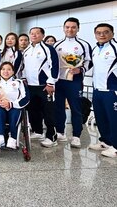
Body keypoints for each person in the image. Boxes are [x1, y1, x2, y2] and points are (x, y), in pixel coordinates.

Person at [53, 18, 92, 148]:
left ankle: (76, 136)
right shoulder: (57, 44)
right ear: (63, 28)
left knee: (76, 108)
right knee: (59, 107)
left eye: (73, 27)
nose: (70, 29)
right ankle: (60, 132)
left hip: (75, 81)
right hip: (59, 81)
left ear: (78, 28)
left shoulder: (84, 44)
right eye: (67, 27)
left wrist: (80, 69)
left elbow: (88, 61)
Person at [22, 27, 59, 147]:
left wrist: (51, 83)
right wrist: (23, 79)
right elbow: (24, 67)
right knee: (33, 110)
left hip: (45, 86)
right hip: (31, 86)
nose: (34, 35)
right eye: (32, 33)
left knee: (49, 112)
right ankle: (37, 131)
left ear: (43, 35)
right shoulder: (26, 50)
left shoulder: (48, 49)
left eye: (37, 33)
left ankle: (51, 137)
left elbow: (55, 66)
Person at [88, 23, 117, 158]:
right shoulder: (95, 49)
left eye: (106, 32)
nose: (102, 35)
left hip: (112, 90)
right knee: (101, 117)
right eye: (98, 32)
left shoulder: (115, 47)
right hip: (97, 89)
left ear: (112, 33)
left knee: (114, 119)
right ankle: (106, 141)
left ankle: (116, 147)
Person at [0, 62, 30, 149]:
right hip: (0, 107)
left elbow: (26, 98)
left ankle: (13, 138)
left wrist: (11, 104)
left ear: (13, 72)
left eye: (9, 69)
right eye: (3, 69)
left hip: (15, 107)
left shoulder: (19, 83)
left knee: (15, 112)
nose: (6, 71)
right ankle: (1, 136)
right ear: (0, 71)